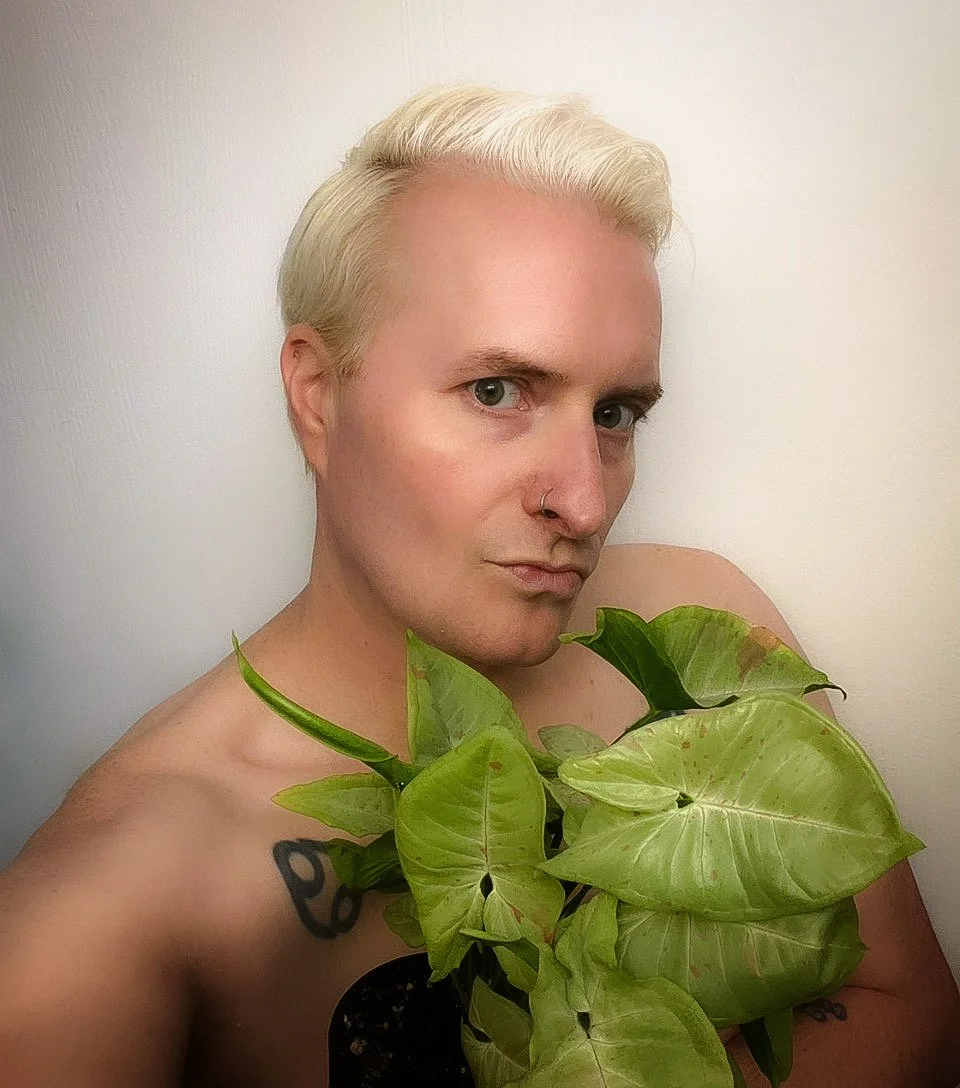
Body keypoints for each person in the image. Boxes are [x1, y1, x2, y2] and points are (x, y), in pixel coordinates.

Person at [0, 86, 957, 1088]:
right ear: (318, 397)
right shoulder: (135, 882)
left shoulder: (694, 624)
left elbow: (920, 1017)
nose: (584, 501)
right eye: (497, 391)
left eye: (616, 412)